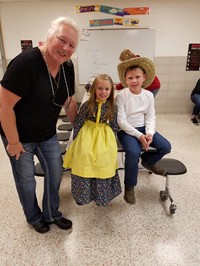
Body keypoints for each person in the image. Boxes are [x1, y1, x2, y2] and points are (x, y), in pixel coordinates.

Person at [0, 17, 80, 233]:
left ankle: (52, 213)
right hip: (19, 136)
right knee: (26, 181)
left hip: (47, 133)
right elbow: (4, 107)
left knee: (55, 172)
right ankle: (34, 217)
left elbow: (69, 100)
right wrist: (14, 142)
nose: (65, 48)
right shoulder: (25, 64)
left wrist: (80, 130)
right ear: (47, 37)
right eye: (61, 40)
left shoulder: (67, 67)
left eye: (71, 45)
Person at [116, 49, 171, 204]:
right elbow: (121, 121)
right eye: (130, 78)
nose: (134, 81)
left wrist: (149, 133)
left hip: (143, 128)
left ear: (144, 77)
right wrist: (139, 136)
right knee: (133, 152)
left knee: (166, 146)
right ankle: (130, 186)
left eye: (137, 77)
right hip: (126, 131)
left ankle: (148, 161)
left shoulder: (148, 95)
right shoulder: (121, 96)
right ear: (125, 80)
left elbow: (151, 116)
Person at [63, 74, 122, 207]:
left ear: (111, 91)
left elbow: (114, 126)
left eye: (107, 89)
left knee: (103, 163)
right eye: (100, 88)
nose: (103, 92)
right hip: (86, 136)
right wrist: (75, 142)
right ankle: (83, 196)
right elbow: (78, 123)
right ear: (94, 89)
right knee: (83, 161)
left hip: (104, 137)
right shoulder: (86, 105)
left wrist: (110, 141)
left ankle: (101, 197)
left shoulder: (113, 107)